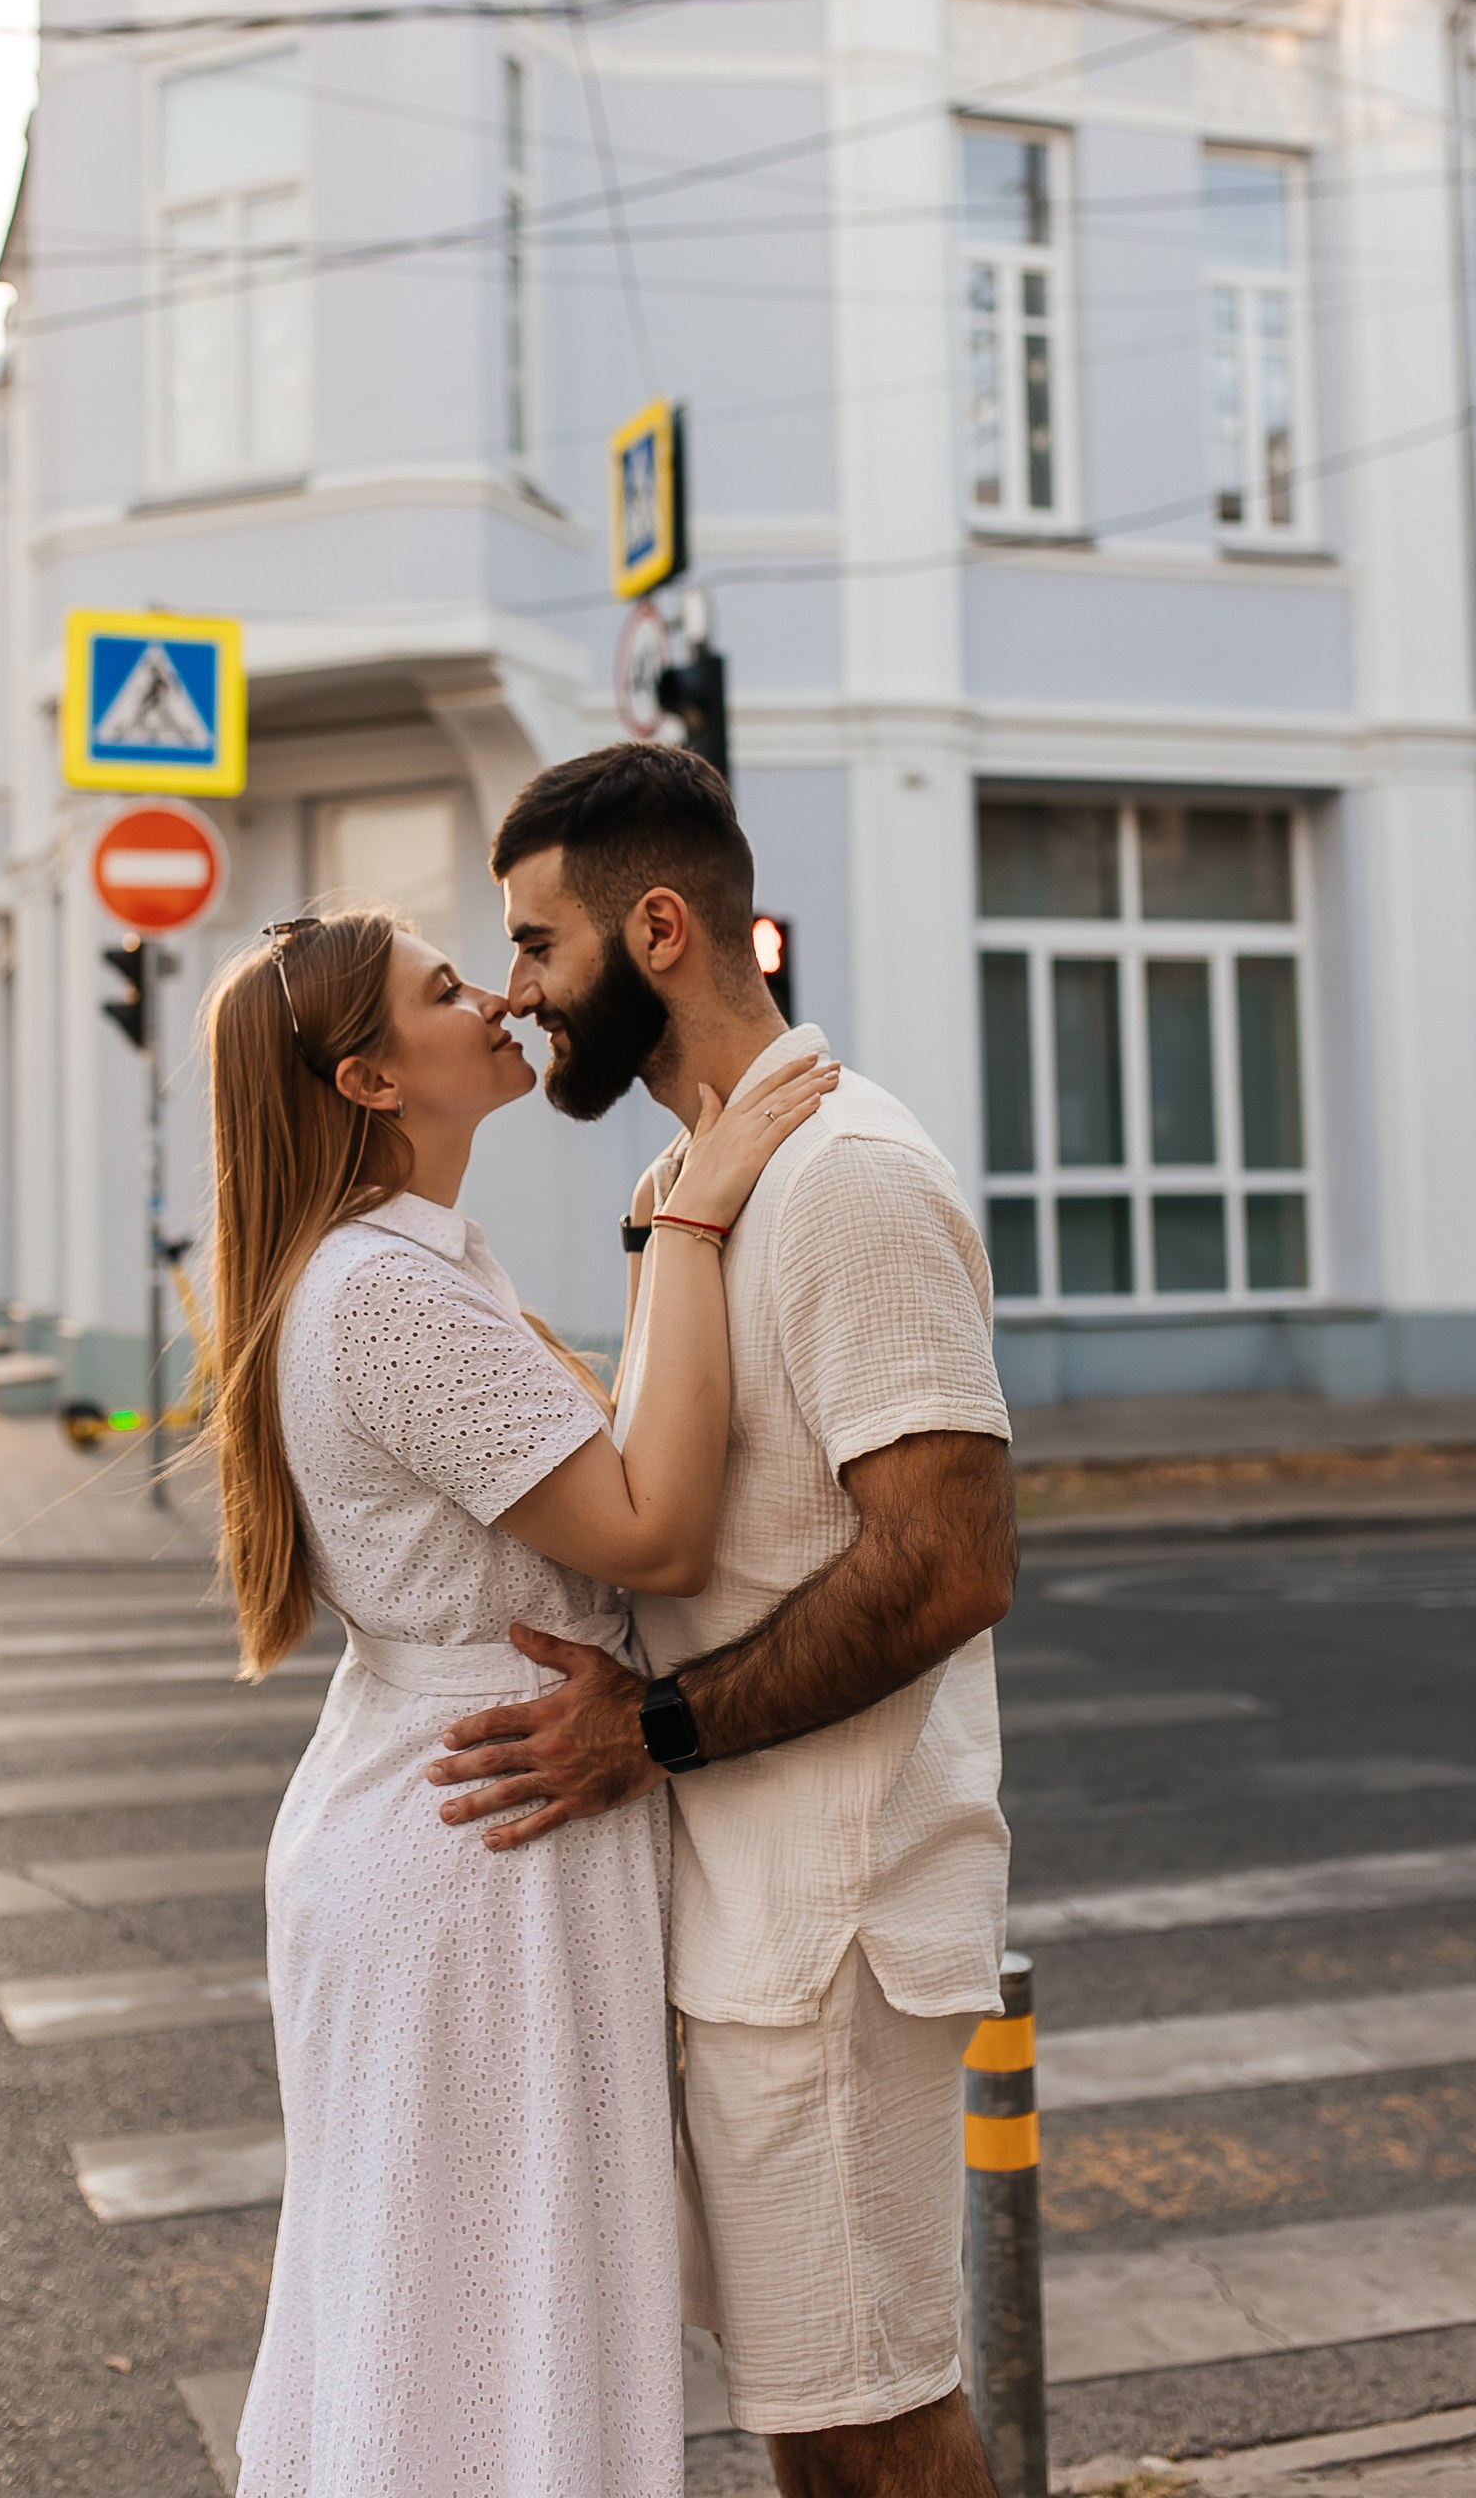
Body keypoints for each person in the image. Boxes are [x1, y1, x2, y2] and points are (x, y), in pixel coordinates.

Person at [427, 744, 1017, 2498]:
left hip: (834, 1920)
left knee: (875, 2425)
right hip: (751, 1919)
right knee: (811, 2424)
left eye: (538, 947)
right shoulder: (704, 1183)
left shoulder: (845, 1178)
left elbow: (949, 1561)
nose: (521, 995)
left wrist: (653, 1730)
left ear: (660, 929)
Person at [207, 903, 836, 2498]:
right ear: (363, 1079)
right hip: (483, 1845)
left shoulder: (391, 1268)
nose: (493, 994)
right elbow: (651, 1528)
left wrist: (663, 1232)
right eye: (442, 989)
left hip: (461, 1821)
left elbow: (595, 1480)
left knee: (441, 2330)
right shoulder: (388, 1294)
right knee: (488, 2342)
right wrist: (696, 1224)